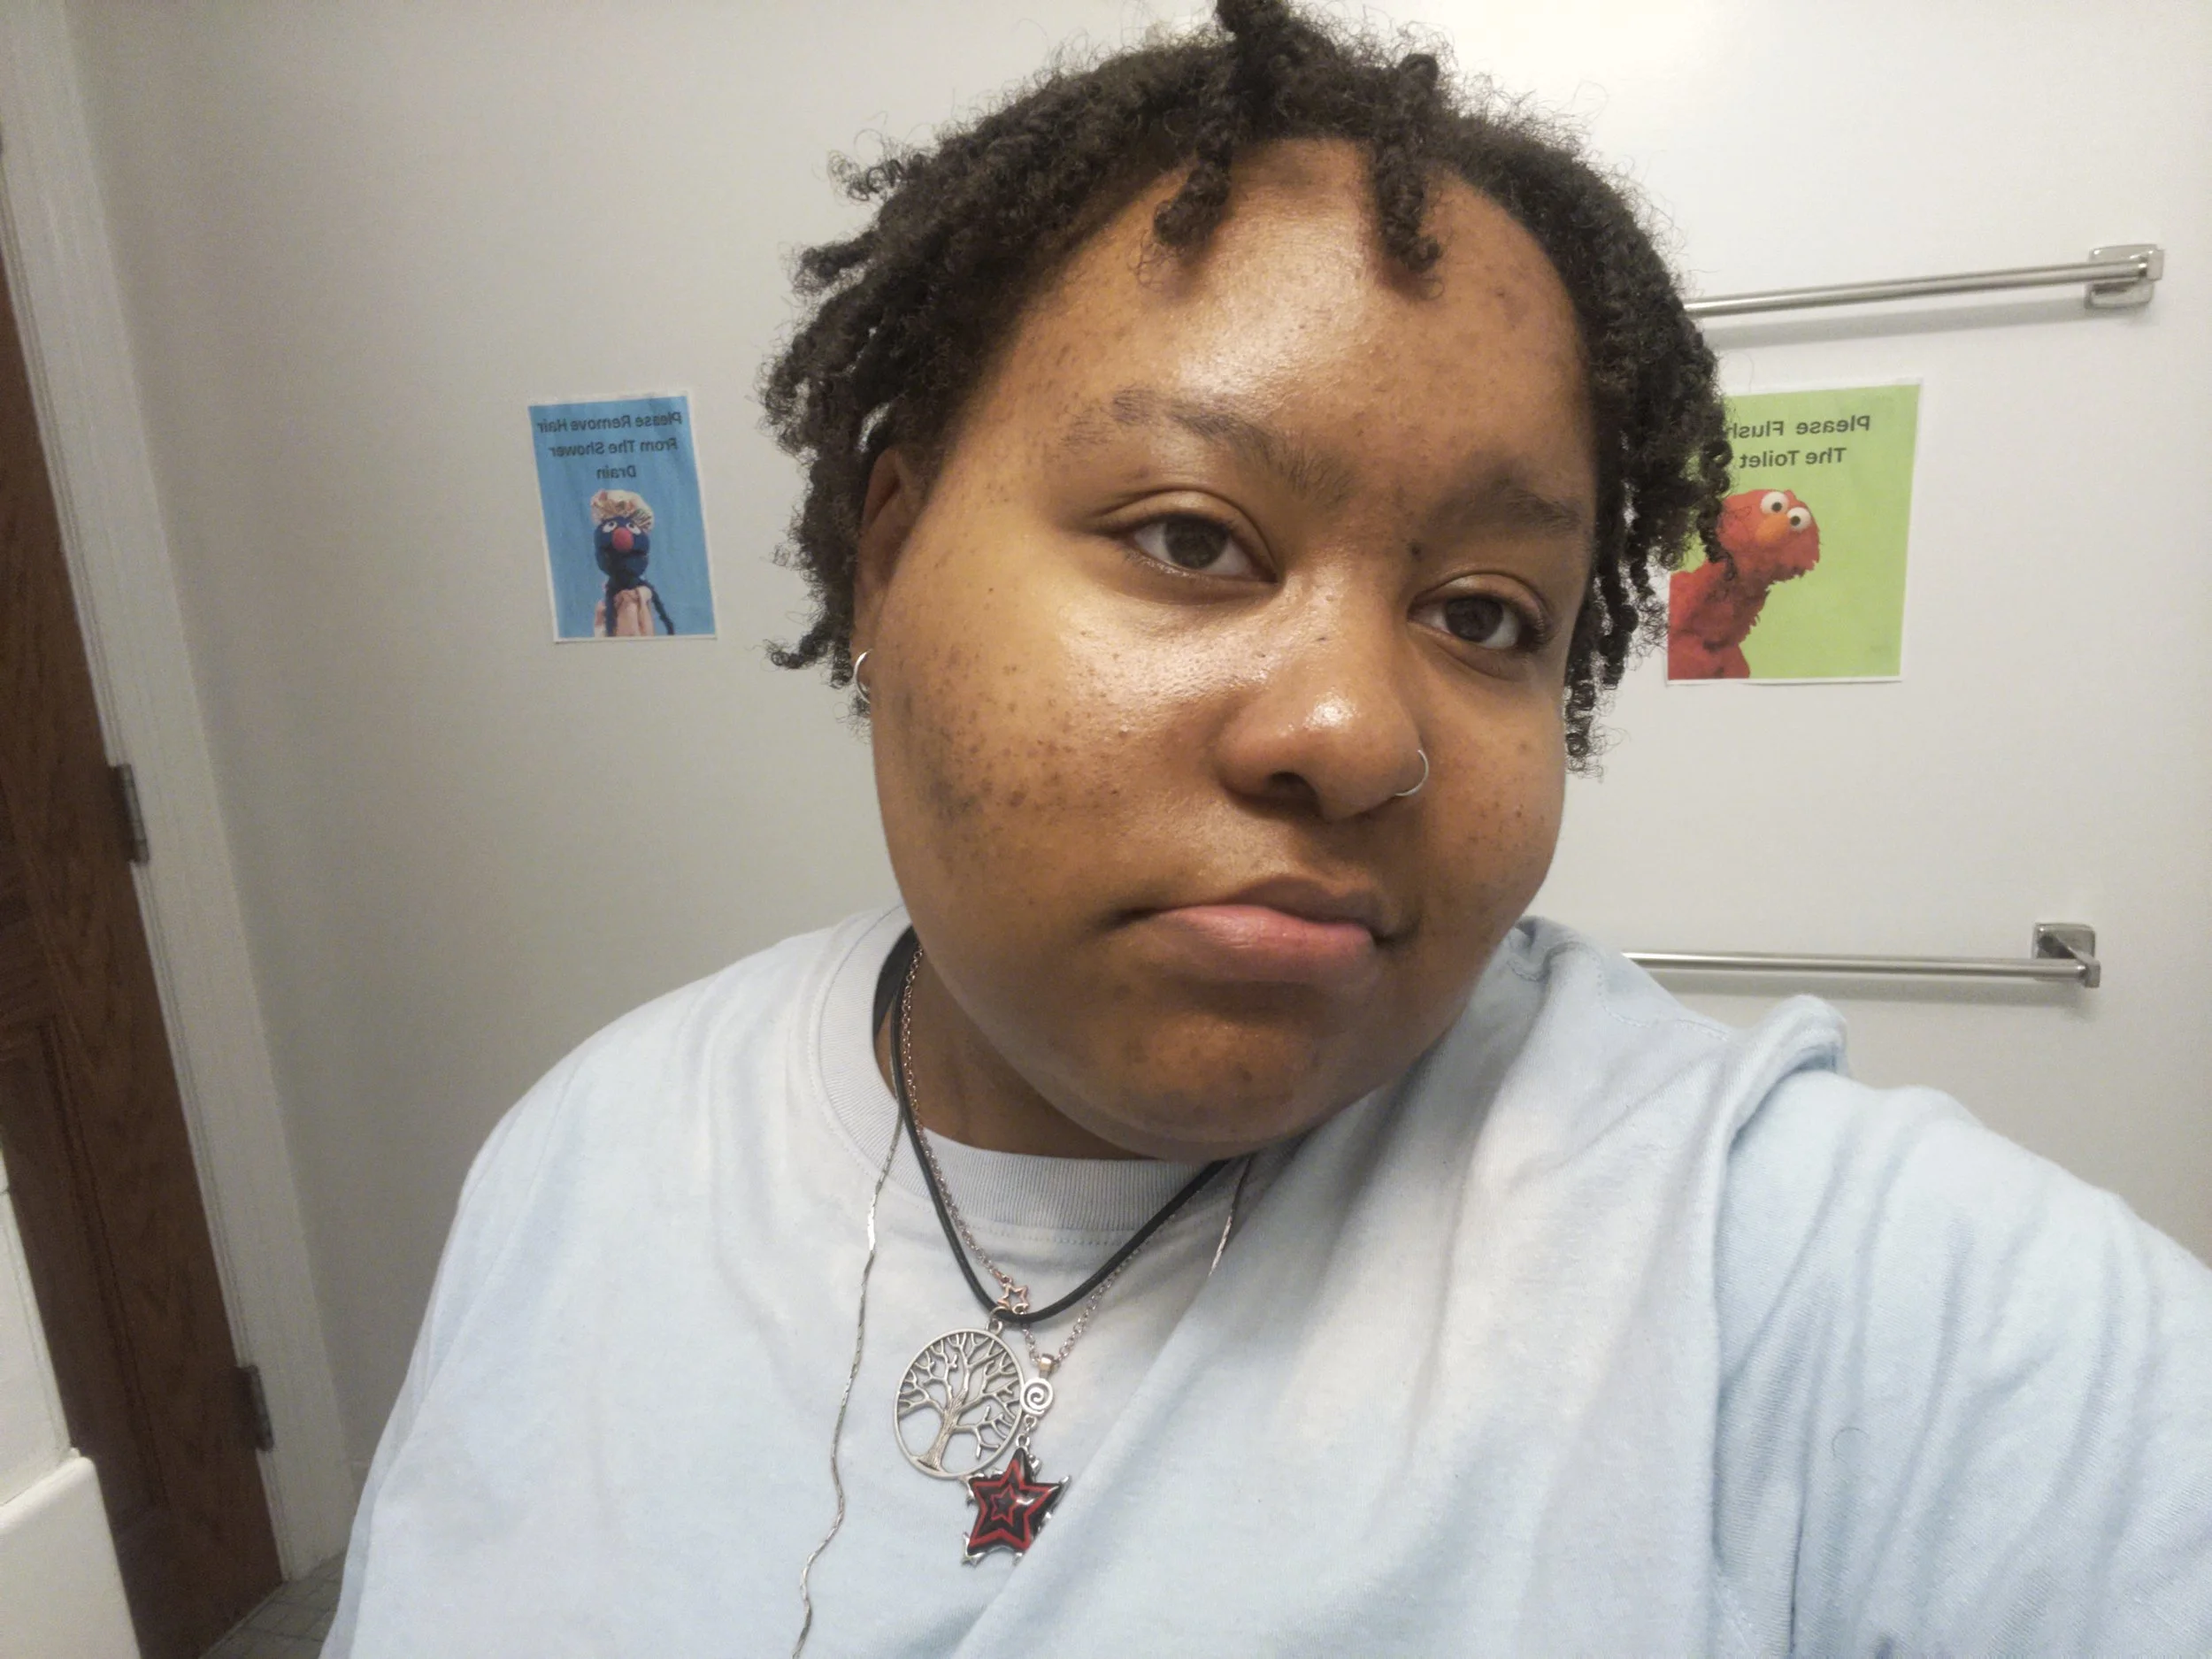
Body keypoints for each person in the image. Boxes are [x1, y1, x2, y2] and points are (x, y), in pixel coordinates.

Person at [326, 3, 2212, 1653]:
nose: (1351, 731)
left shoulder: (1817, 1292)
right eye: (1188, 537)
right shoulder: (585, 1158)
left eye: (1487, 615)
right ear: (888, 551)